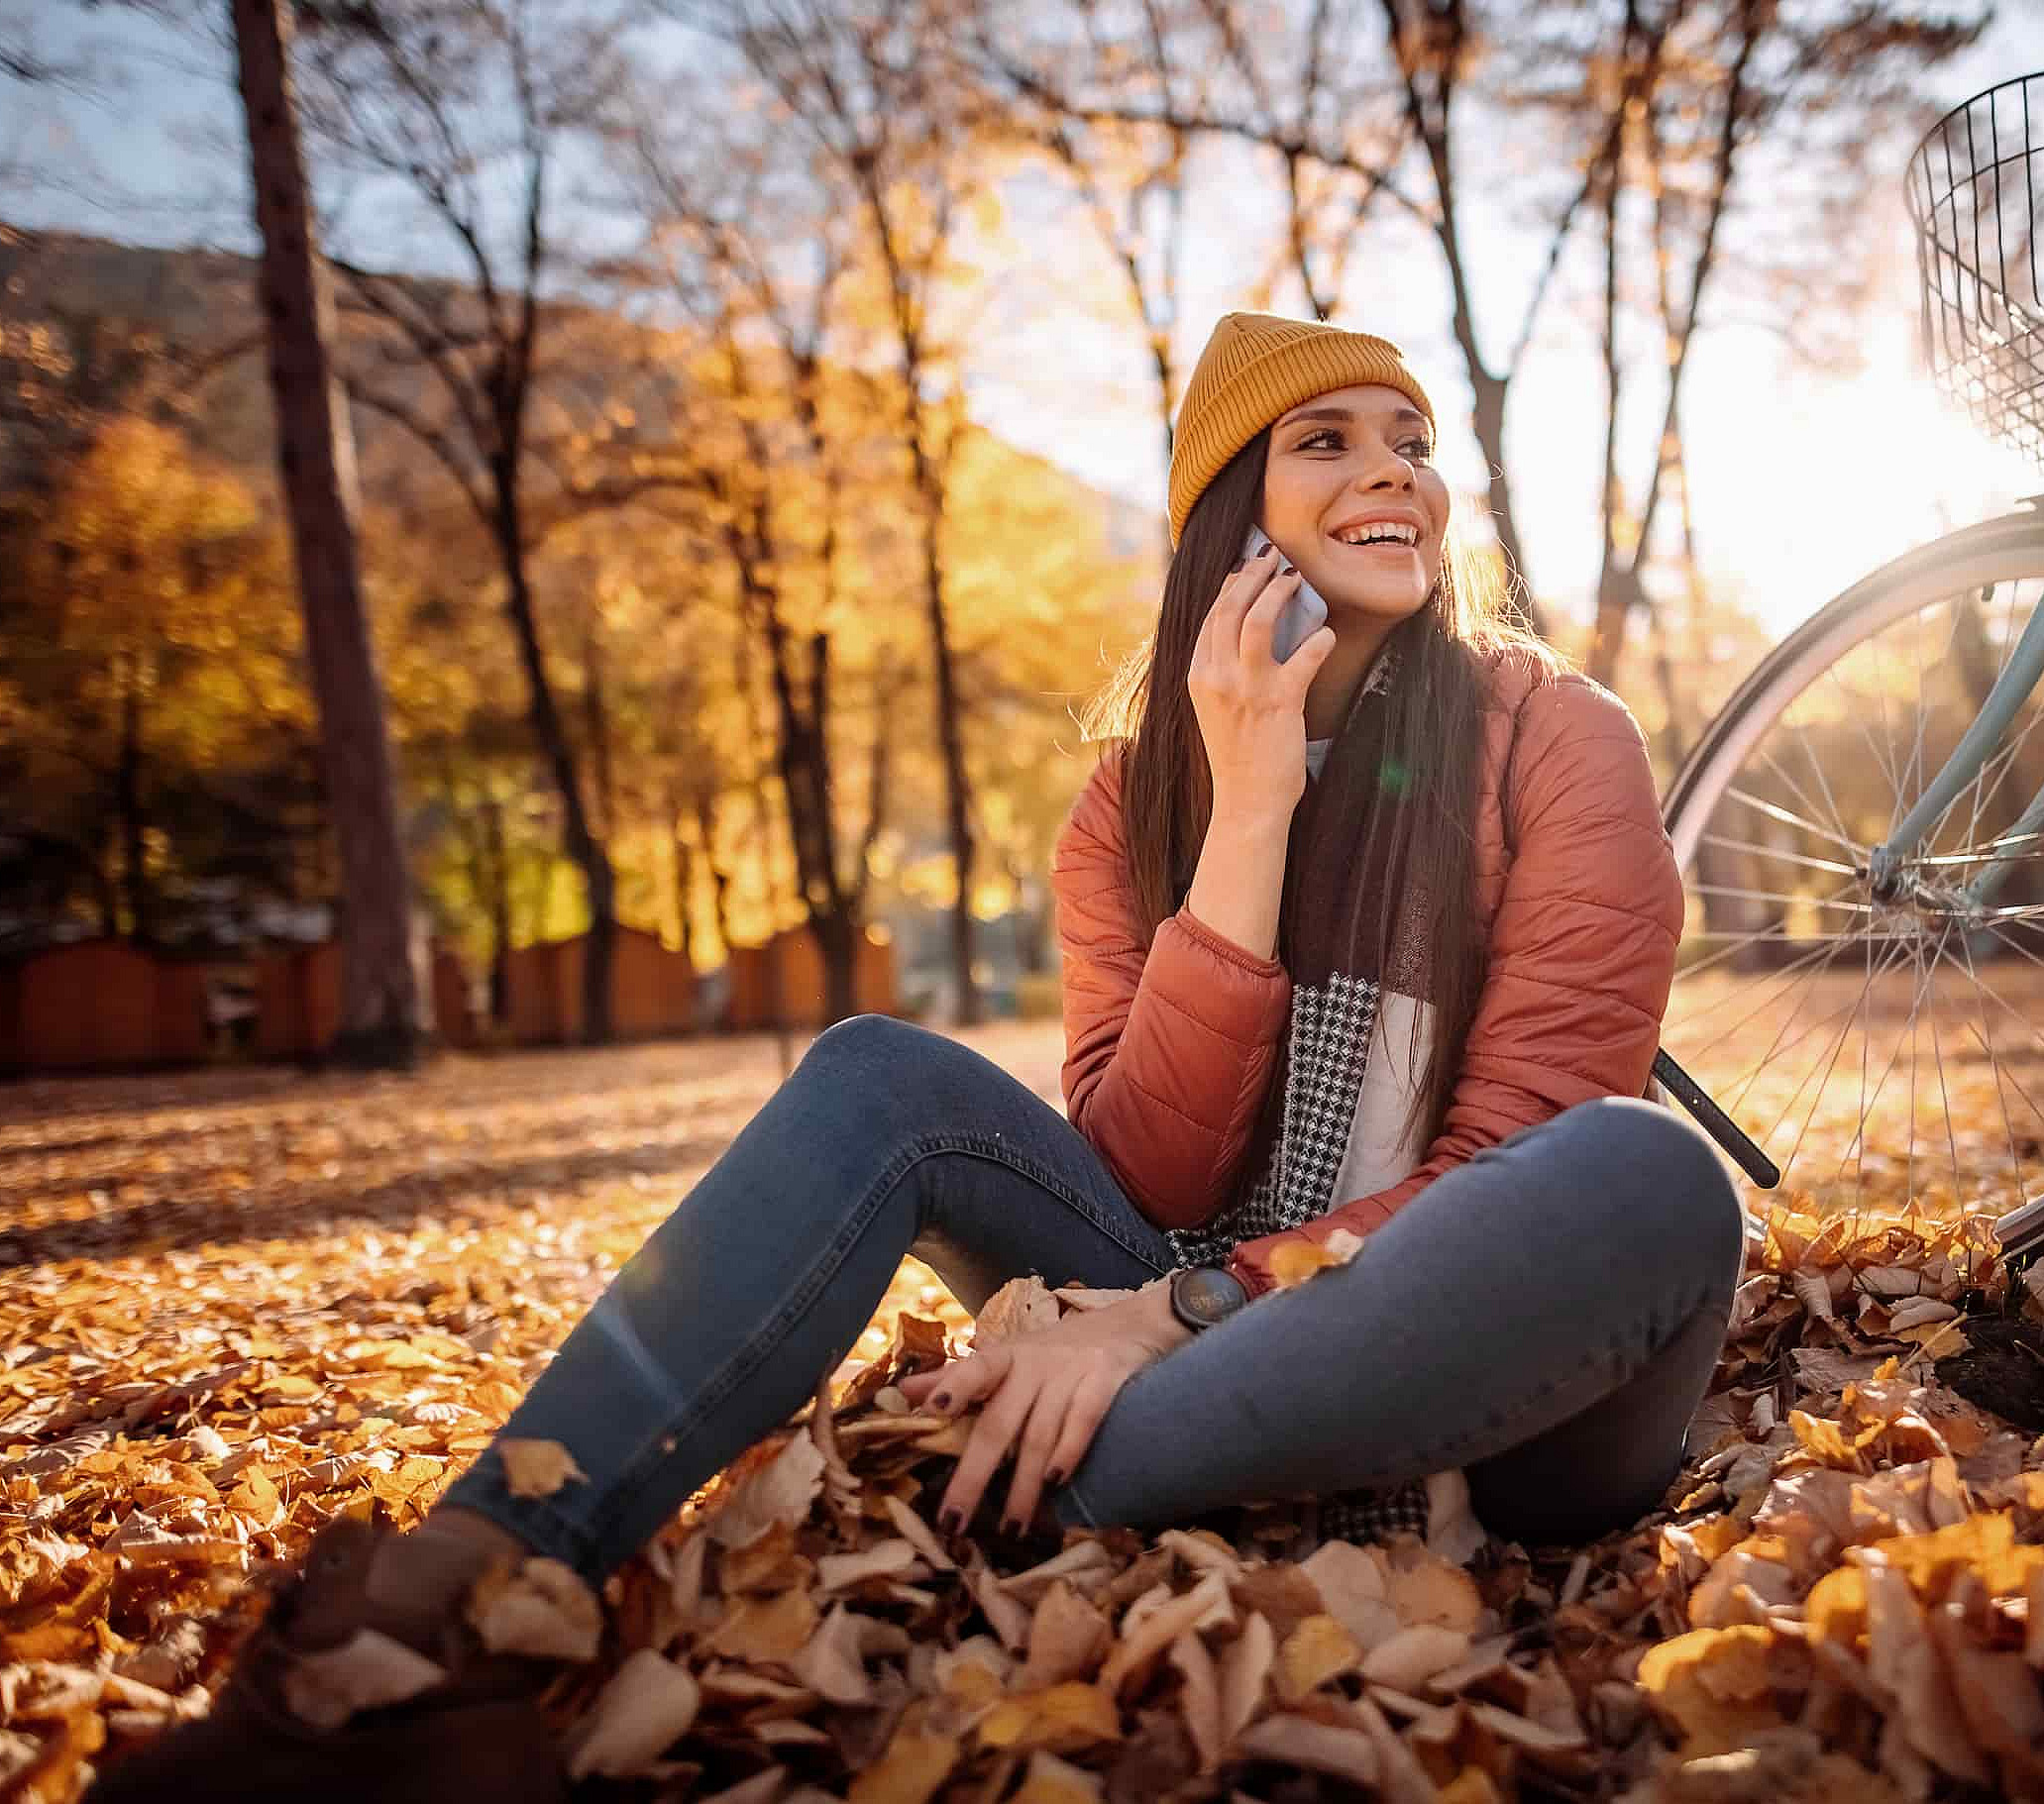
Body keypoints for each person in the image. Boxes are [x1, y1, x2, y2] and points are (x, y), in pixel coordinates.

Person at [91, 311, 1746, 1801]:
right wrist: (1246, 815)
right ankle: (423, 1634)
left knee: (1645, 1174)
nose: (1396, 474)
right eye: (1327, 440)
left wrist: (1177, 1310)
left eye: (1412, 442)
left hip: (1481, 1366)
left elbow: (1513, 1154)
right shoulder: (1134, 803)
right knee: (876, 1070)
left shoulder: (1553, 736)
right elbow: (1152, 1168)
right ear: (1228, 519)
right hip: (1185, 1306)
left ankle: (1081, 1464)